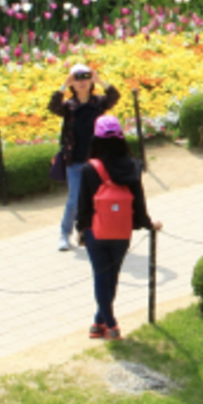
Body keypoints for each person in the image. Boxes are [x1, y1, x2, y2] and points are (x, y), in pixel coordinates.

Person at [76, 115, 161, 341]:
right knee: (112, 277)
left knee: (101, 276)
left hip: (96, 230)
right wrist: (146, 223)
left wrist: (81, 230)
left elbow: (82, 205)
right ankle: (98, 322)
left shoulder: (89, 168)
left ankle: (110, 325)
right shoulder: (133, 166)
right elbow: (139, 201)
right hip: (122, 231)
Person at [49, 64, 120, 252]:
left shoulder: (98, 102)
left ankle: (90, 232)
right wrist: (64, 85)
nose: (82, 82)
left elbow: (115, 97)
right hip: (75, 160)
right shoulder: (69, 106)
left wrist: (100, 81)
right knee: (74, 199)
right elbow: (53, 106)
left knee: (98, 197)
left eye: (85, 78)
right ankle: (65, 234)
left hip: (96, 160)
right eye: (77, 79)